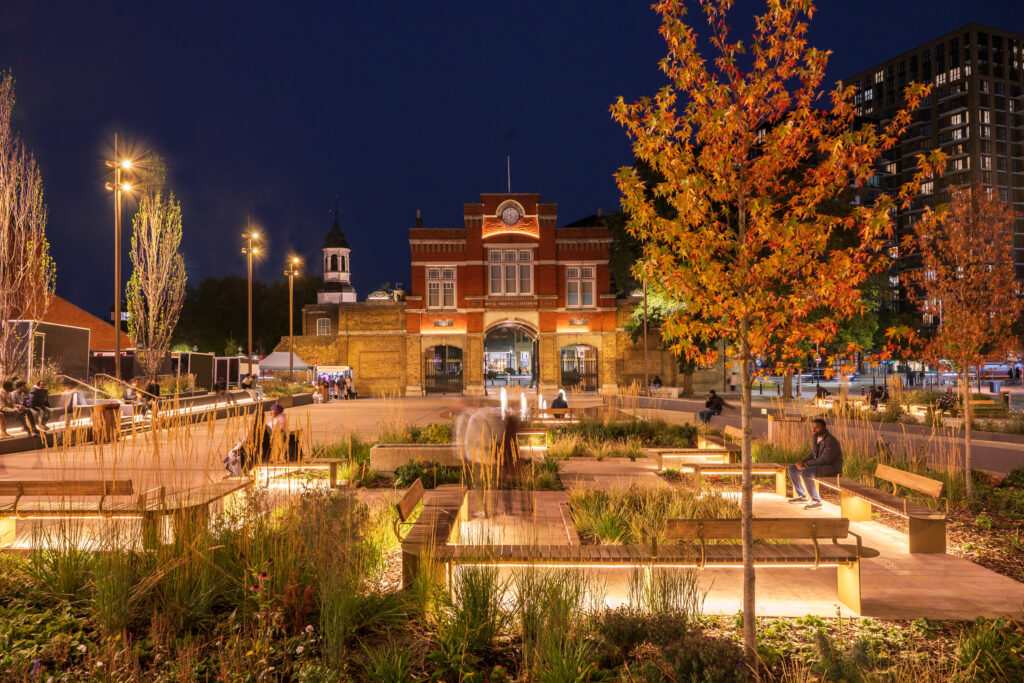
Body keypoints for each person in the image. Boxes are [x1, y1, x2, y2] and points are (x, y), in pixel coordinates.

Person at [787, 418, 843, 510]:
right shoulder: (816, 437)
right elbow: (812, 454)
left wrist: (807, 465)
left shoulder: (830, 440)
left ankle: (817, 501)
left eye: (816, 428)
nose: (813, 430)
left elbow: (825, 459)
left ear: (824, 428)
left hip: (830, 469)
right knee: (792, 469)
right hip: (819, 466)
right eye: (813, 427)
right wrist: (802, 462)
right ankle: (802, 496)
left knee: (806, 473)